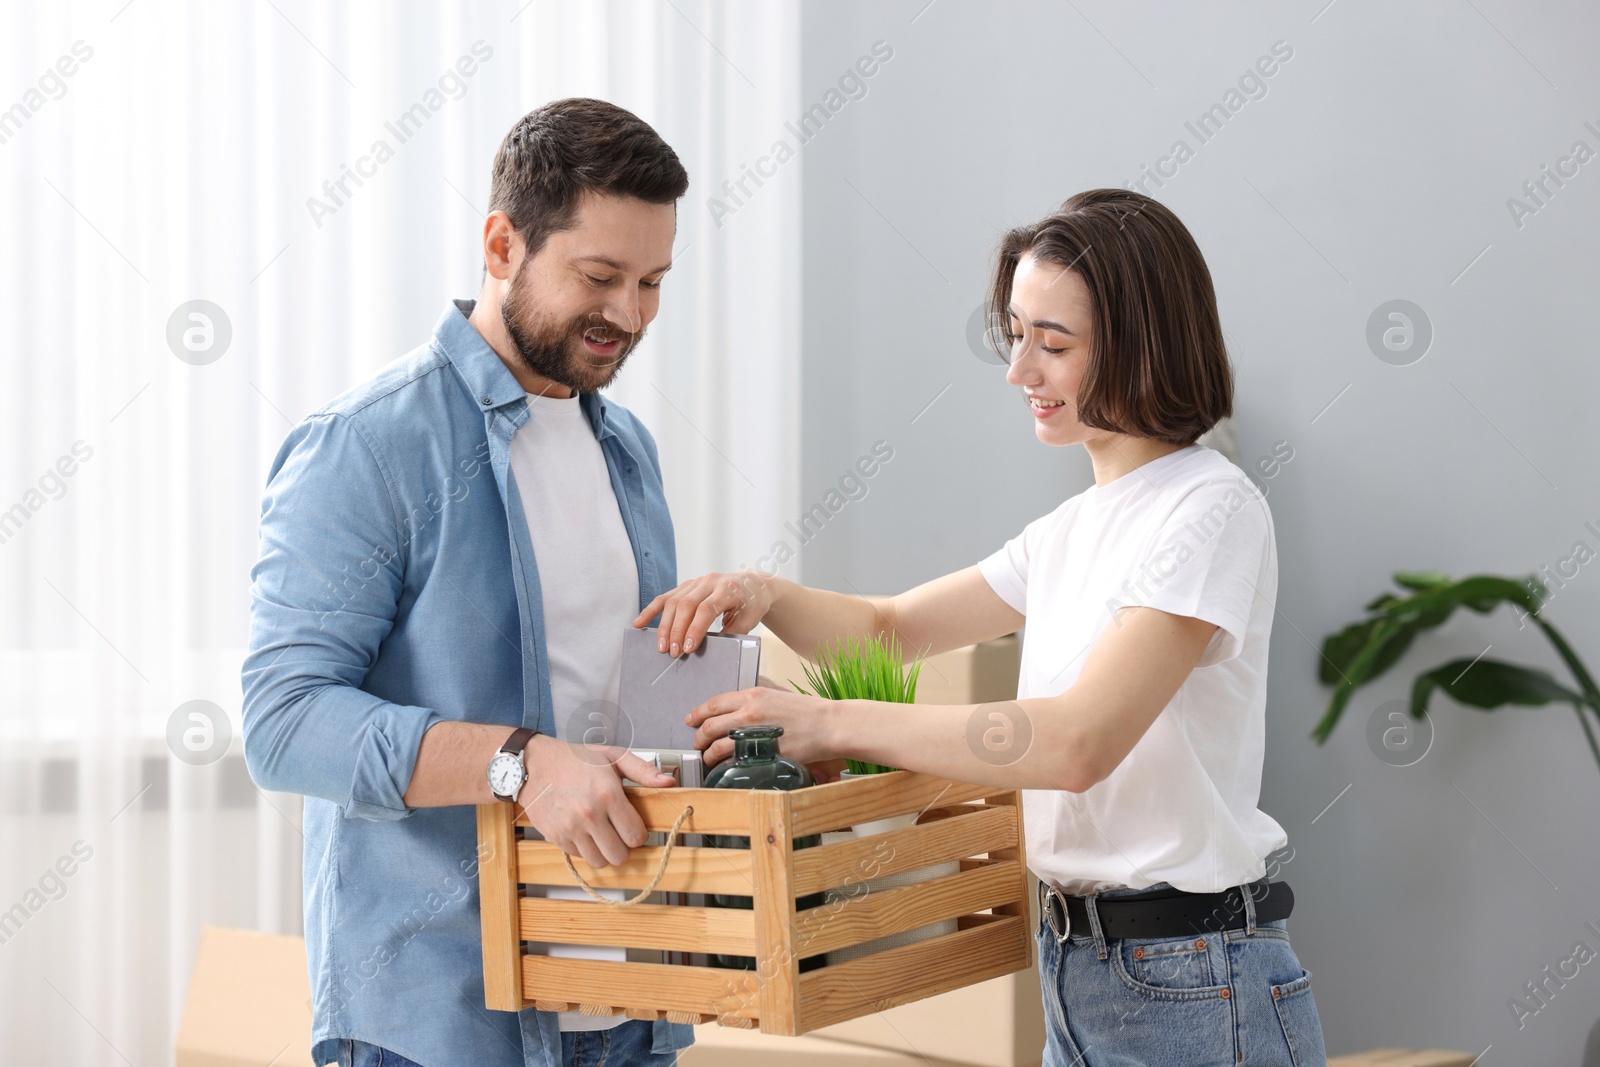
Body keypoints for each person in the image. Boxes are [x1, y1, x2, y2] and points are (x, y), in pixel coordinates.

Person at [637, 189, 1328, 1066]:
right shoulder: (1073, 528)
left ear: (1141, 347)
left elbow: (1078, 739)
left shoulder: (1210, 508)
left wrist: (832, 721)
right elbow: (889, 631)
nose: (1020, 372)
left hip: (1192, 979)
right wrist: (765, 593)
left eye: (1055, 344)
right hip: (1081, 966)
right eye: (1018, 335)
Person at [242, 98, 694, 1067]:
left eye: (652, 282)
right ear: (501, 243)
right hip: (441, 1022)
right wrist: (520, 763)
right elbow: (282, 723)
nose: (628, 314)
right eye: (600, 276)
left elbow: (616, 696)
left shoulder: (627, 450)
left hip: (630, 1006)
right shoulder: (368, 446)